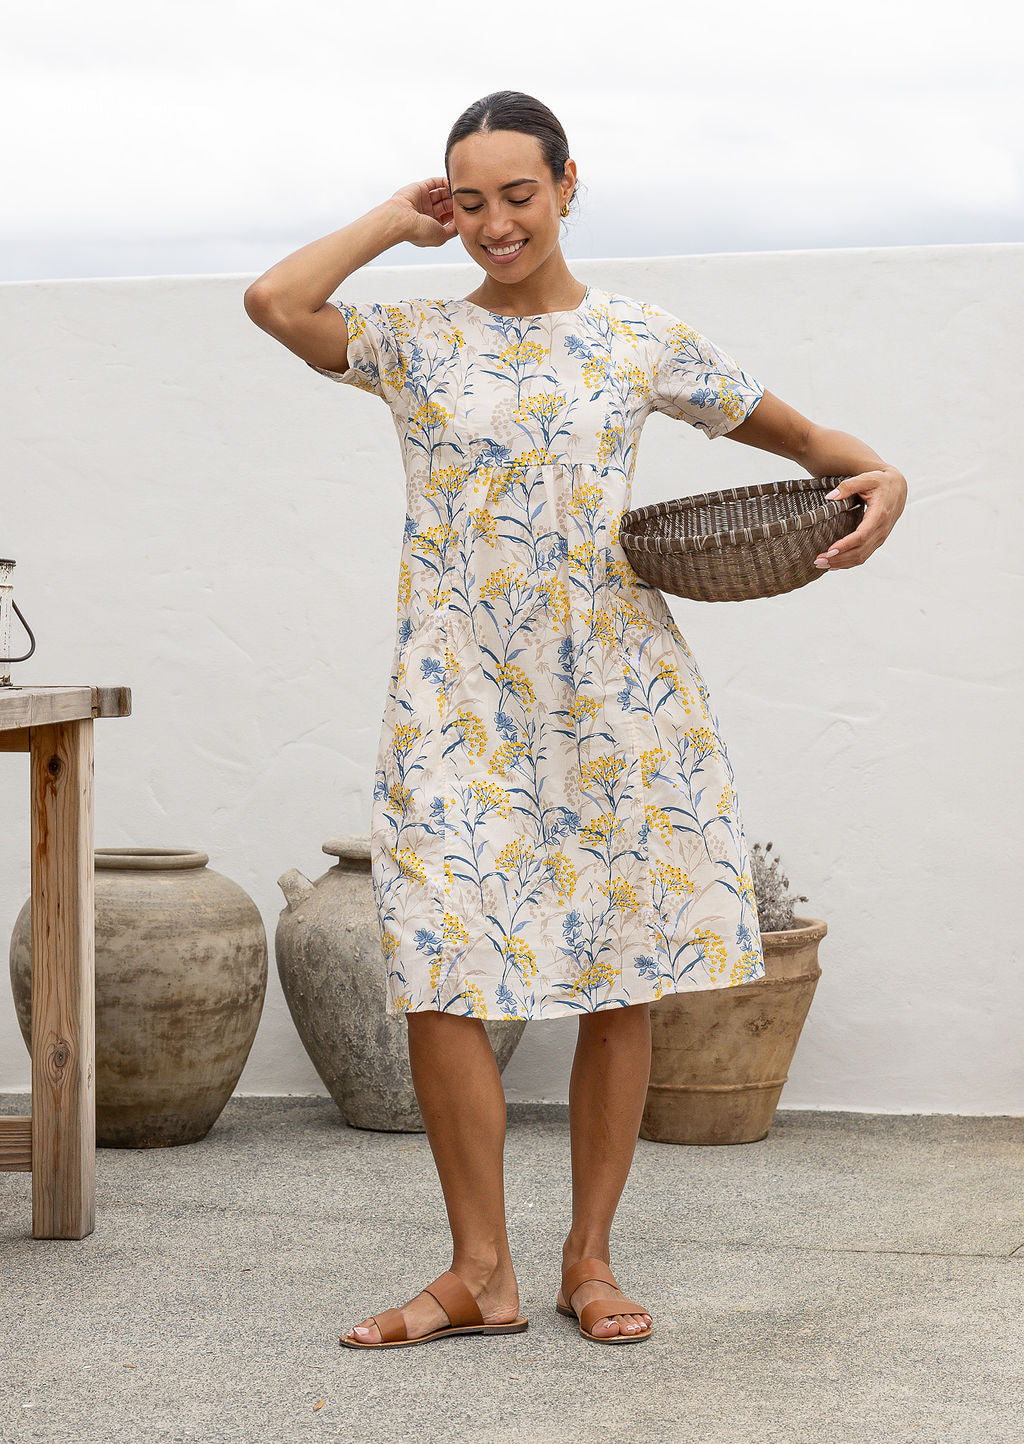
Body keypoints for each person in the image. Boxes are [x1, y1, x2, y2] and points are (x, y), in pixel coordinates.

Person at [244, 89, 907, 1350]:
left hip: (615, 687)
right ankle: (475, 1270)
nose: (496, 222)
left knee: (624, 969)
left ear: (565, 187)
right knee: (439, 966)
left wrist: (885, 474)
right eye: (470, 197)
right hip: (455, 694)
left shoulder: (640, 339)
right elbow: (277, 303)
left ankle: (585, 1260)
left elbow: (806, 437)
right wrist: (395, 220)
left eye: (519, 195)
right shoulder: (415, 341)